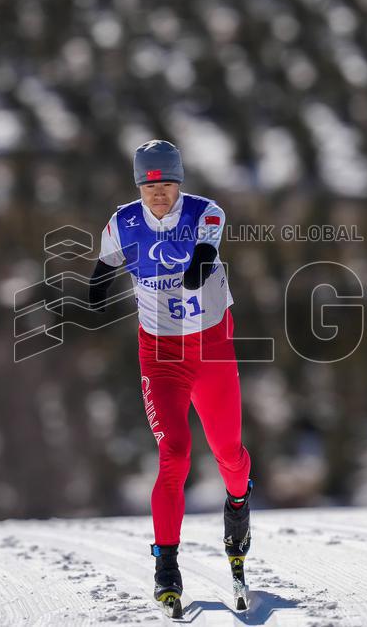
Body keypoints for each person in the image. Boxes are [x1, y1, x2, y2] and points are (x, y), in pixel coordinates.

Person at [88, 140, 253, 615]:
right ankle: (166, 564)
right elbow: (105, 263)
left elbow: (207, 242)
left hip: (212, 351)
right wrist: (97, 284)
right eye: (150, 185)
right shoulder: (123, 223)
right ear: (139, 185)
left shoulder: (205, 212)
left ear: (181, 183)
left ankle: (238, 506)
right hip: (160, 356)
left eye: (167, 184)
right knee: (174, 453)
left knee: (229, 455)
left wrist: (202, 261)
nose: (159, 194)